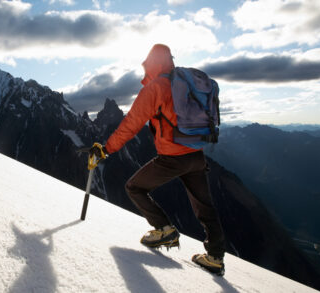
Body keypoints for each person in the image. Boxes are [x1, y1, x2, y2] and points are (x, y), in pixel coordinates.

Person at [89, 44, 226, 276]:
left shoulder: (156, 88)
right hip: (196, 154)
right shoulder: (183, 81)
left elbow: (131, 123)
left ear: (151, 63)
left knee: (134, 187)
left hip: (173, 157)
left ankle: (163, 229)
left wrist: (106, 149)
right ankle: (215, 257)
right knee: (205, 206)